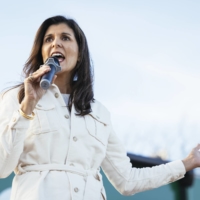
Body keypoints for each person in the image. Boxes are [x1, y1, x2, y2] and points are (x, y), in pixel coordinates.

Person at [0, 15, 199, 200]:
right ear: (42, 53)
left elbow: (127, 179)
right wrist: (26, 108)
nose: (56, 43)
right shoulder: (18, 97)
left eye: (65, 38)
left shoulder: (98, 112)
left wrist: (187, 162)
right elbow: (2, 167)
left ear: (79, 55)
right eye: (48, 39)